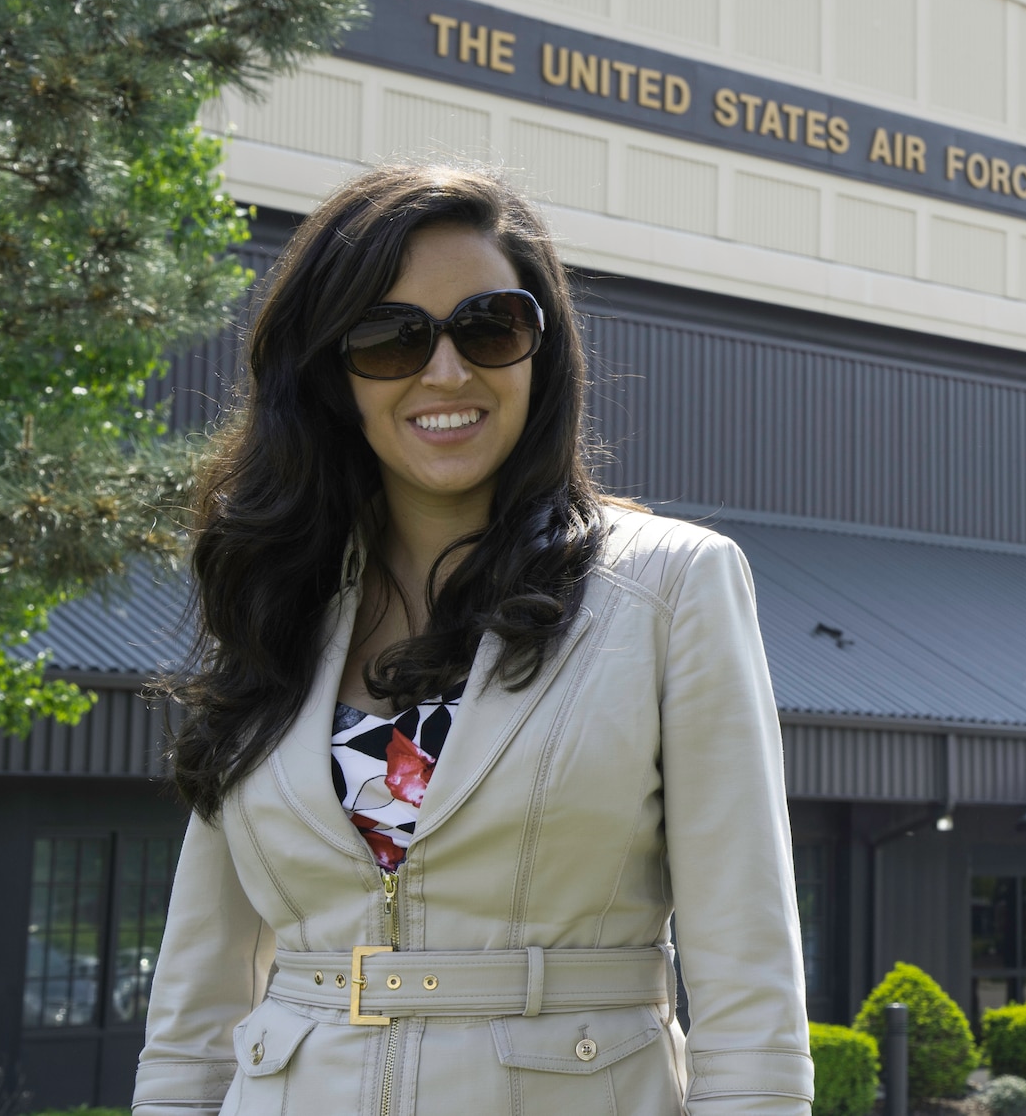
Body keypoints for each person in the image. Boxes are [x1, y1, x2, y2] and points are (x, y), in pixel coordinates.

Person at [134, 166, 813, 1115]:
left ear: (542, 350)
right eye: (388, 337)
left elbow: (749, 992)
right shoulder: (273, 592)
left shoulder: (671, 587)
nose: (446, 372)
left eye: (490, 326)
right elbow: (197, 998)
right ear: (331, 371)